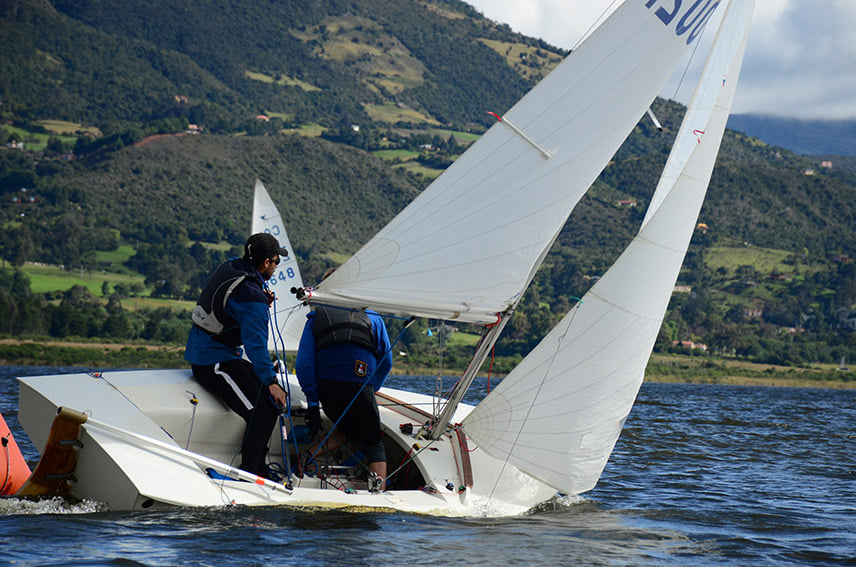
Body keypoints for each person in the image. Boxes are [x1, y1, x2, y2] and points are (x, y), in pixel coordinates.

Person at [185, 232, 289, 479]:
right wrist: (272, 382)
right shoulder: (251, 298)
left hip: (220, 354)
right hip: (211, 362)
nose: (276, 266)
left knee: (270, 406)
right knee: (260, 412)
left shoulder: (234, 266)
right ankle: (250, 474)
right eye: (276, 261)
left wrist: (260, 298)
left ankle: (259, 467)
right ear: (266, 262)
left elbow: (233, 301)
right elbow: (256, 346)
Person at [295, 270, 393, 491]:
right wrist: (371, 388)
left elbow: (304, 365)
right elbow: (386, 361)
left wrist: (313, 402)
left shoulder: (315, 319)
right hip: (360, 385)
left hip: (327, 389)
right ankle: (379, 493)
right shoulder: (373, 318)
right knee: (373, 443)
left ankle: (309, 455)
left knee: (347, 428)